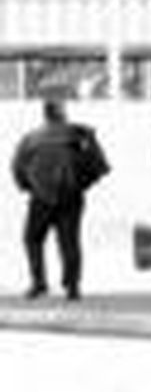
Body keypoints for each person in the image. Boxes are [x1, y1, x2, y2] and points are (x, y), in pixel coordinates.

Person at [10, 98, 110, 301]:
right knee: (69, 241)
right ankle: (72, 286)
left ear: (45, 115)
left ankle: (39, 283)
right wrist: (84, 184)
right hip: (72, 196)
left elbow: (17, 167)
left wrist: (29, 187)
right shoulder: (79, 134)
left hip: (41, 197)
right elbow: (101, 165)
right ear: (63, 114)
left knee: (32, 239)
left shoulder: (31, 138)